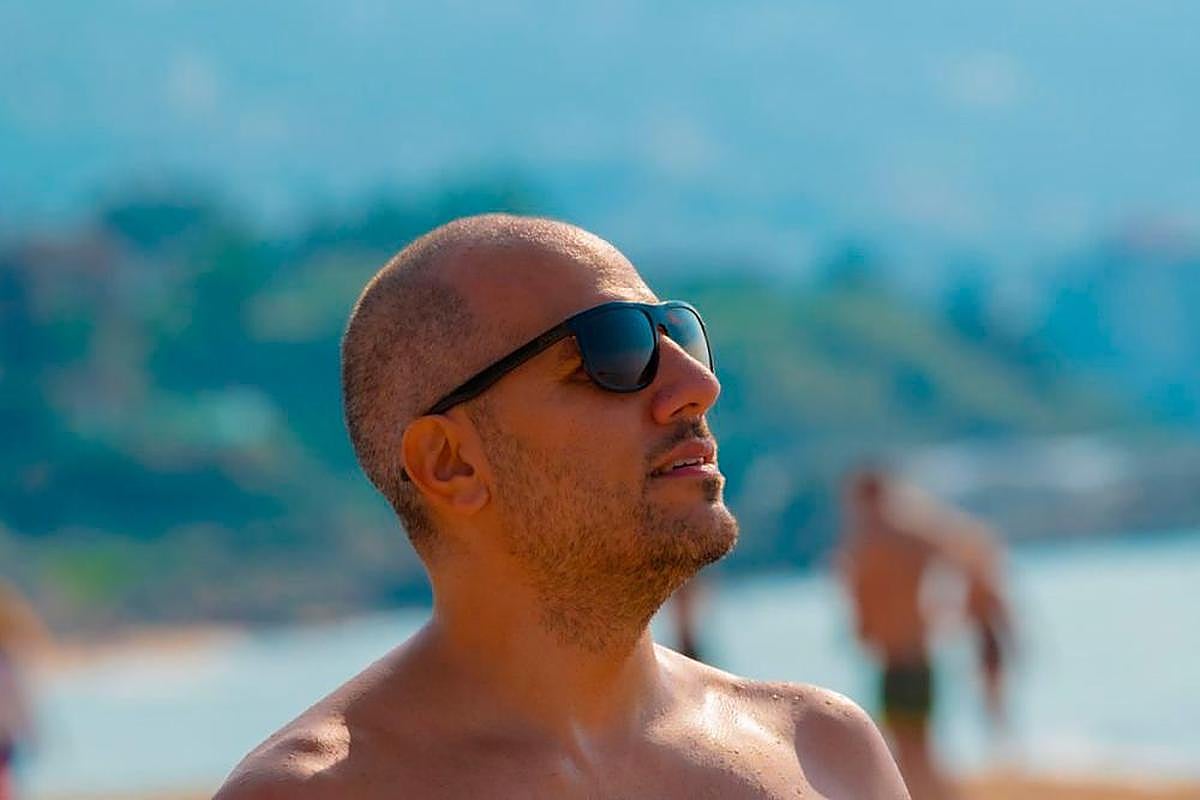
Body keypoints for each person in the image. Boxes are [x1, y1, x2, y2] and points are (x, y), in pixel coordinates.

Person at [217, 215, 908, 798]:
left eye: (679, 333)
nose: (698, 385)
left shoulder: (824, 752)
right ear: (451, 463)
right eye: (615, 350)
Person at [838, 468, 1013, 800]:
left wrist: (969, 611)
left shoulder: (884, 539)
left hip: (908, 657)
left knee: (912, 754)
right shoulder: (896, 537)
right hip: (902, 657)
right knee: (908, 752)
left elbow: (971, 550)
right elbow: (972, 549)